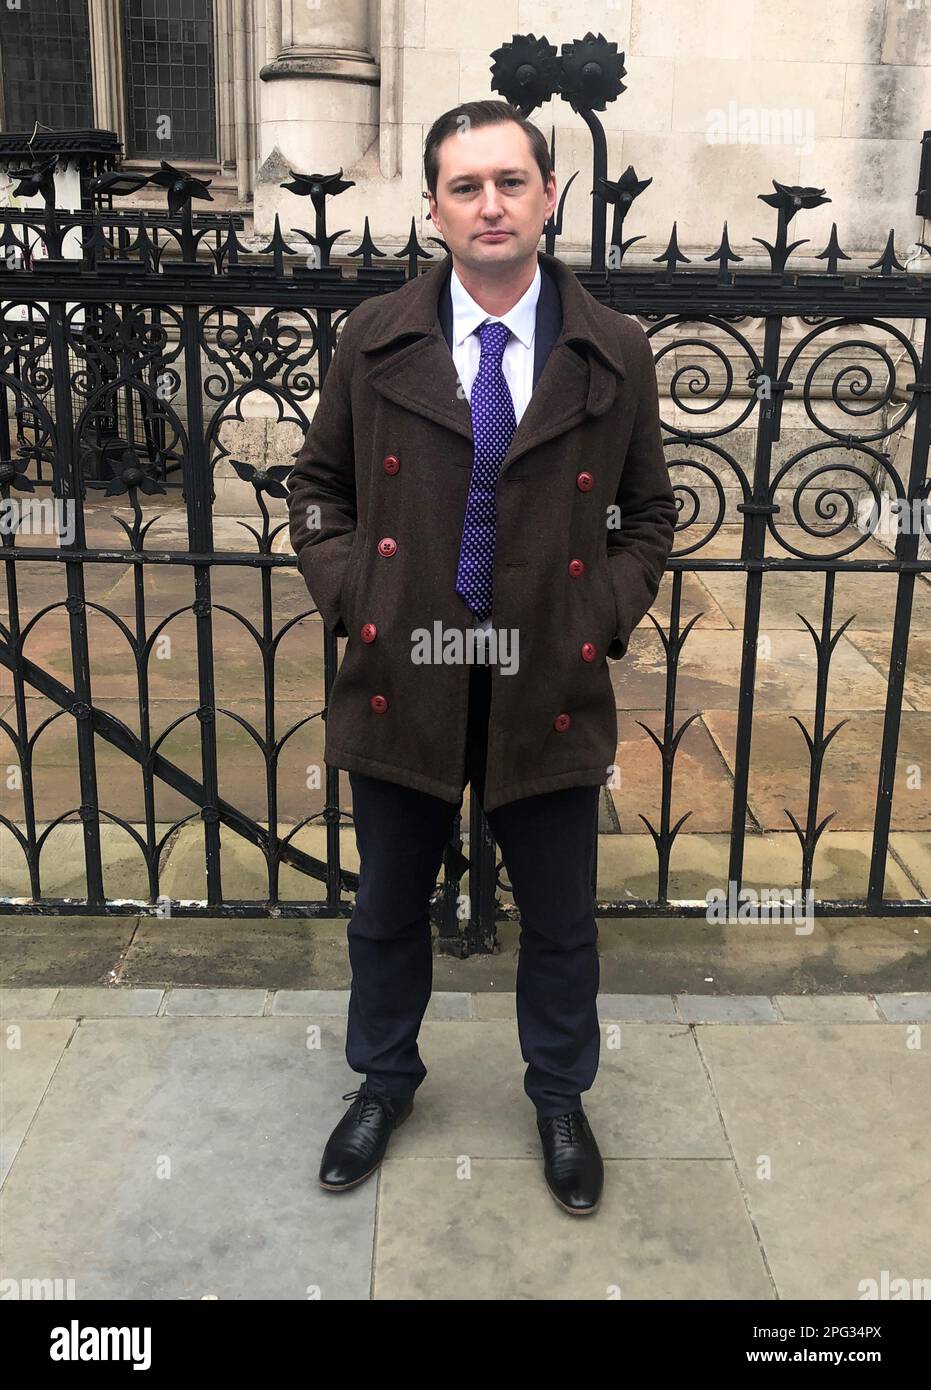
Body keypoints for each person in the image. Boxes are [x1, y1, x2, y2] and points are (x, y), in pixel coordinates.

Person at [287, 99, 677, 1215]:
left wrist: (598, 609)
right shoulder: (375, 339)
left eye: (510, 181)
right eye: (466, 186)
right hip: (404, 664)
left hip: (544, 675)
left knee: (560, 918)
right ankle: (384, 1079)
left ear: (547, 196)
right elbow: (316, 490)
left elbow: (650, 512)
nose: (490, 204)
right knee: (386, 907)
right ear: (433, 209)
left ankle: (559, 1094)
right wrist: (355, 588)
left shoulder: (613, 348)